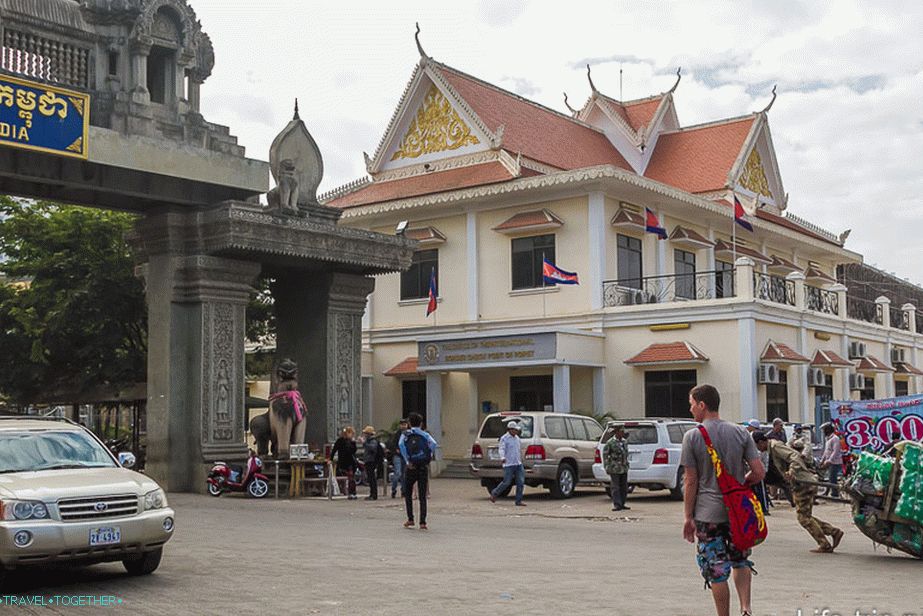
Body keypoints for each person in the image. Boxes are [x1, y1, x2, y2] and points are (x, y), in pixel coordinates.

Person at [682, 385, 765, 616]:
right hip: (738, 513)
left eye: (692, 404)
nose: (690, 409)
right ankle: (746, 608)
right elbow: (759, 472)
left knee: (716, 570)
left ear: (702, 405)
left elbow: (691, 481)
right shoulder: (740, 432)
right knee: (740, 560)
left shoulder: (692, 436)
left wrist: (688, 517)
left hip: (708, 514)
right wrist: (740, 485)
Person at [753, 431, 843, 553]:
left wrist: (791, 471)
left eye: (756, 446)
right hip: (801, 483)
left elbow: (794, 456)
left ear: (761, 442)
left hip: (803, 483)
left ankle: (825, 543)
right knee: (805, 516)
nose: (758, 449)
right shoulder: (772, 448)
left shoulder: (775, 446)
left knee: (803, 518)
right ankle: (833, 532)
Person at [398, 412, 438, 530]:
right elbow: (434, 443)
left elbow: (401, 445)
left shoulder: (406, 434)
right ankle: (422, 522)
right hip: (423, 466)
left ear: (409, 423)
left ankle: (410, 518)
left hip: (411, 466)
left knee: (408, 493)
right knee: (422, 495)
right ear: (421, 423)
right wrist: (429, 455)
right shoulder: (424, 434)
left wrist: (407, 460)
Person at [488, 421, 526, 506]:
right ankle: (495, 493)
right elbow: (501, 448)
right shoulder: (504, 438)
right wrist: (502, 457)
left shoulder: (517, 438)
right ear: (510, 430)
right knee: (506, 482)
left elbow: (518, 450)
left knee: (520, 482)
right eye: (515, 430)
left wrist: (521, 458)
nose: (516, 431)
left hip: (518, 463)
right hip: (509, 464)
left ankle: (518, 500)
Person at [745, 420, 770, 515]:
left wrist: (764, 471)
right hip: (750, 470)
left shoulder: (759, 440)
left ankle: (764, 508)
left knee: (761, 490)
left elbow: (764, 459)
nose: (748, 427)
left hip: (758, 470)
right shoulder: (748, 437)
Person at [603, 425, 630, 511]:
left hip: (623, 467)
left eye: (623, 432)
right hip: (614, 468)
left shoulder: (624, 442)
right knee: (615, 487)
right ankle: (617, 504)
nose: (622, 433)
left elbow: (626, 454)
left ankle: (622, 503)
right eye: (621, 432)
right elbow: (605, 455)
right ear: (617, 432)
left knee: (624, 487)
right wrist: (606, 466)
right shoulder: (610, 442)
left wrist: (626, 464)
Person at [329, 426, 358, 500]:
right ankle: (344, 490)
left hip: (350, 462)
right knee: (344, 476)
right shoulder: (340, 441)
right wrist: (331, 459)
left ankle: (352, 492)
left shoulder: (351, 442)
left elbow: (354, 451)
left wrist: (353, 443)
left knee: (351, 478)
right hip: (342, 461)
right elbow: (334, 450)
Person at [387, 418, 409, 498]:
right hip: (397, 456)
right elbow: (391, 444)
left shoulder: (408, 434)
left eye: (405, 424)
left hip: (405, 456)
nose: (403, 426)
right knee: (398, 473)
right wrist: (396, 450)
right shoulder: (397, 434)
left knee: (404, 475)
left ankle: (404, 491)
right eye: (402, 425)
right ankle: (394, 489)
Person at [819, 423, 843, 498]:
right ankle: (826, 492)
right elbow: (826, 451)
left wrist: (829, 460)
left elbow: (835, 451)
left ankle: (834, 494)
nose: (823, 432)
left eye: (824, 430)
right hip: (829, 462)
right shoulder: (828, 439)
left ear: (828, 430)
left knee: (832, 478)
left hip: (835, 462)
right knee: (829, 478)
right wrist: (822, 460)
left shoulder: (835, 438)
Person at [361, 426, 383, 501]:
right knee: (370, 478)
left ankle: (374, 494)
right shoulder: (369, 441)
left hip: (371, 461)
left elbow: (372, 448)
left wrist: (364, 443)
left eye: (365, 433)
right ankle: (372, 494)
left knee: (372, 478)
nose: (364, 435)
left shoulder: (373, 441)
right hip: (368, 461)